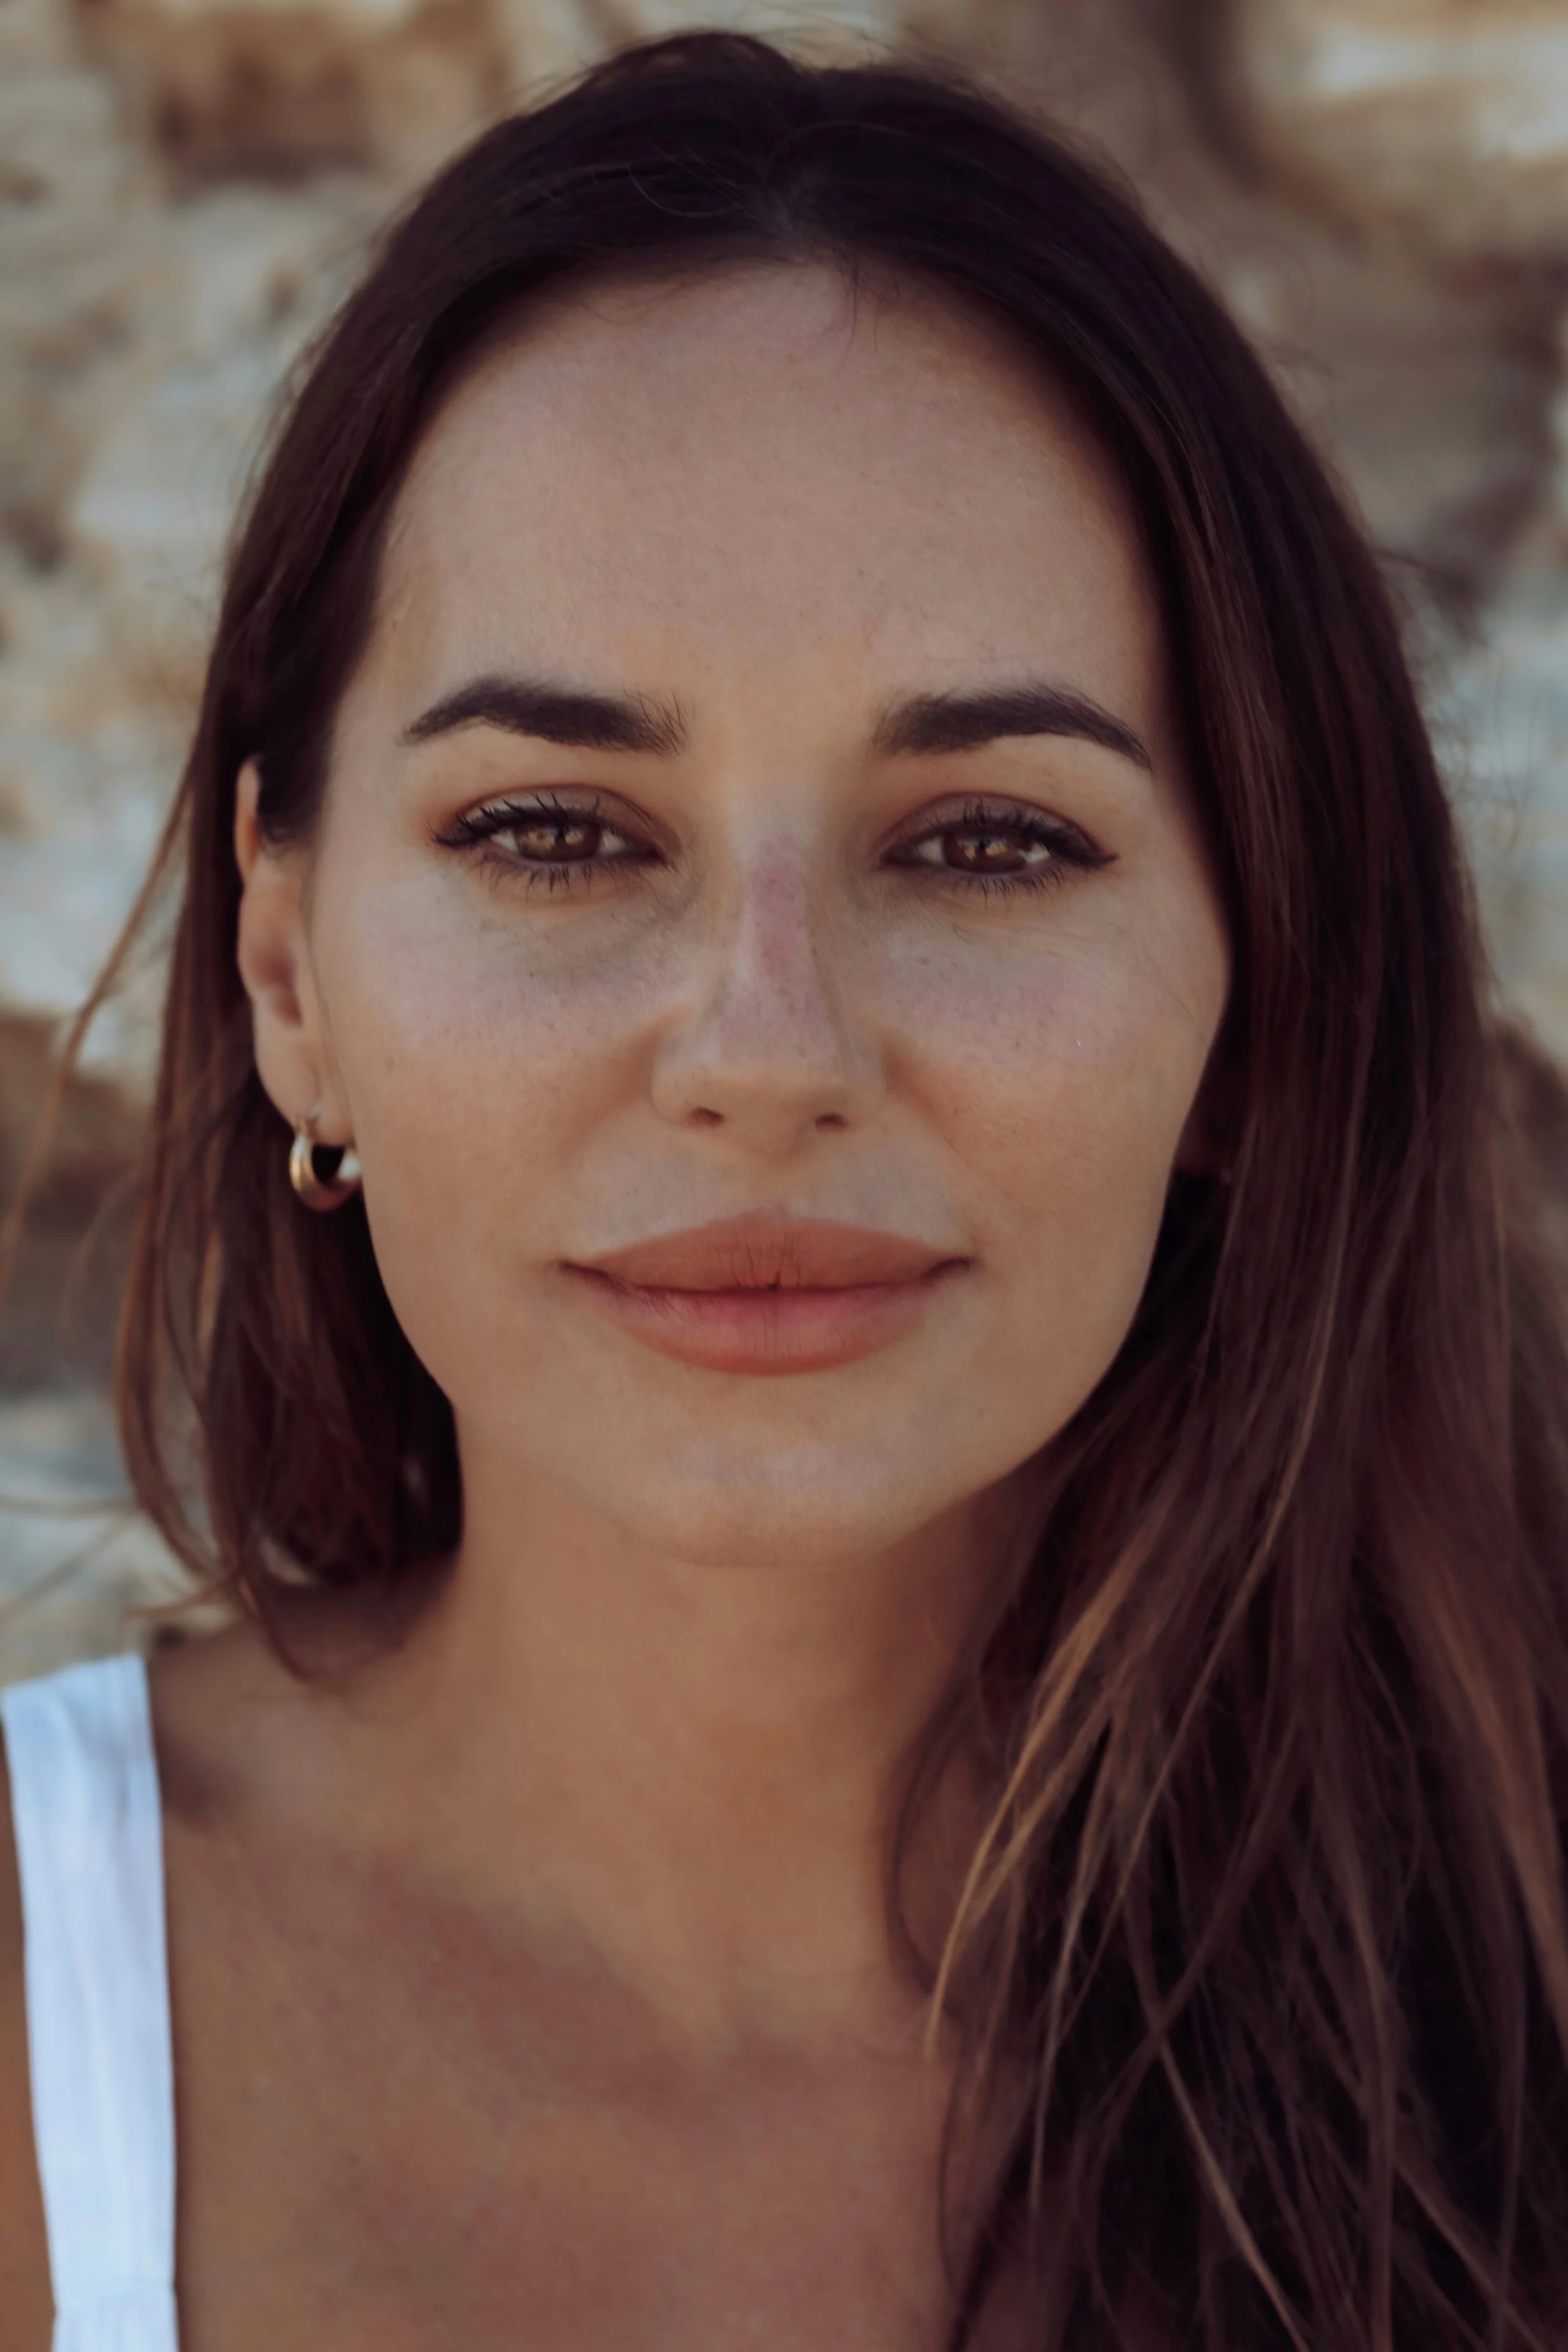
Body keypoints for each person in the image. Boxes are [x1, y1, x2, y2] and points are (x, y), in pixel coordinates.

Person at [1, 27, 1566, 2351]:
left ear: (1252, 993)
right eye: (551, 832)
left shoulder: (1517, 2001)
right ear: (285, 969)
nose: (763, 1052)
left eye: (985, 839)